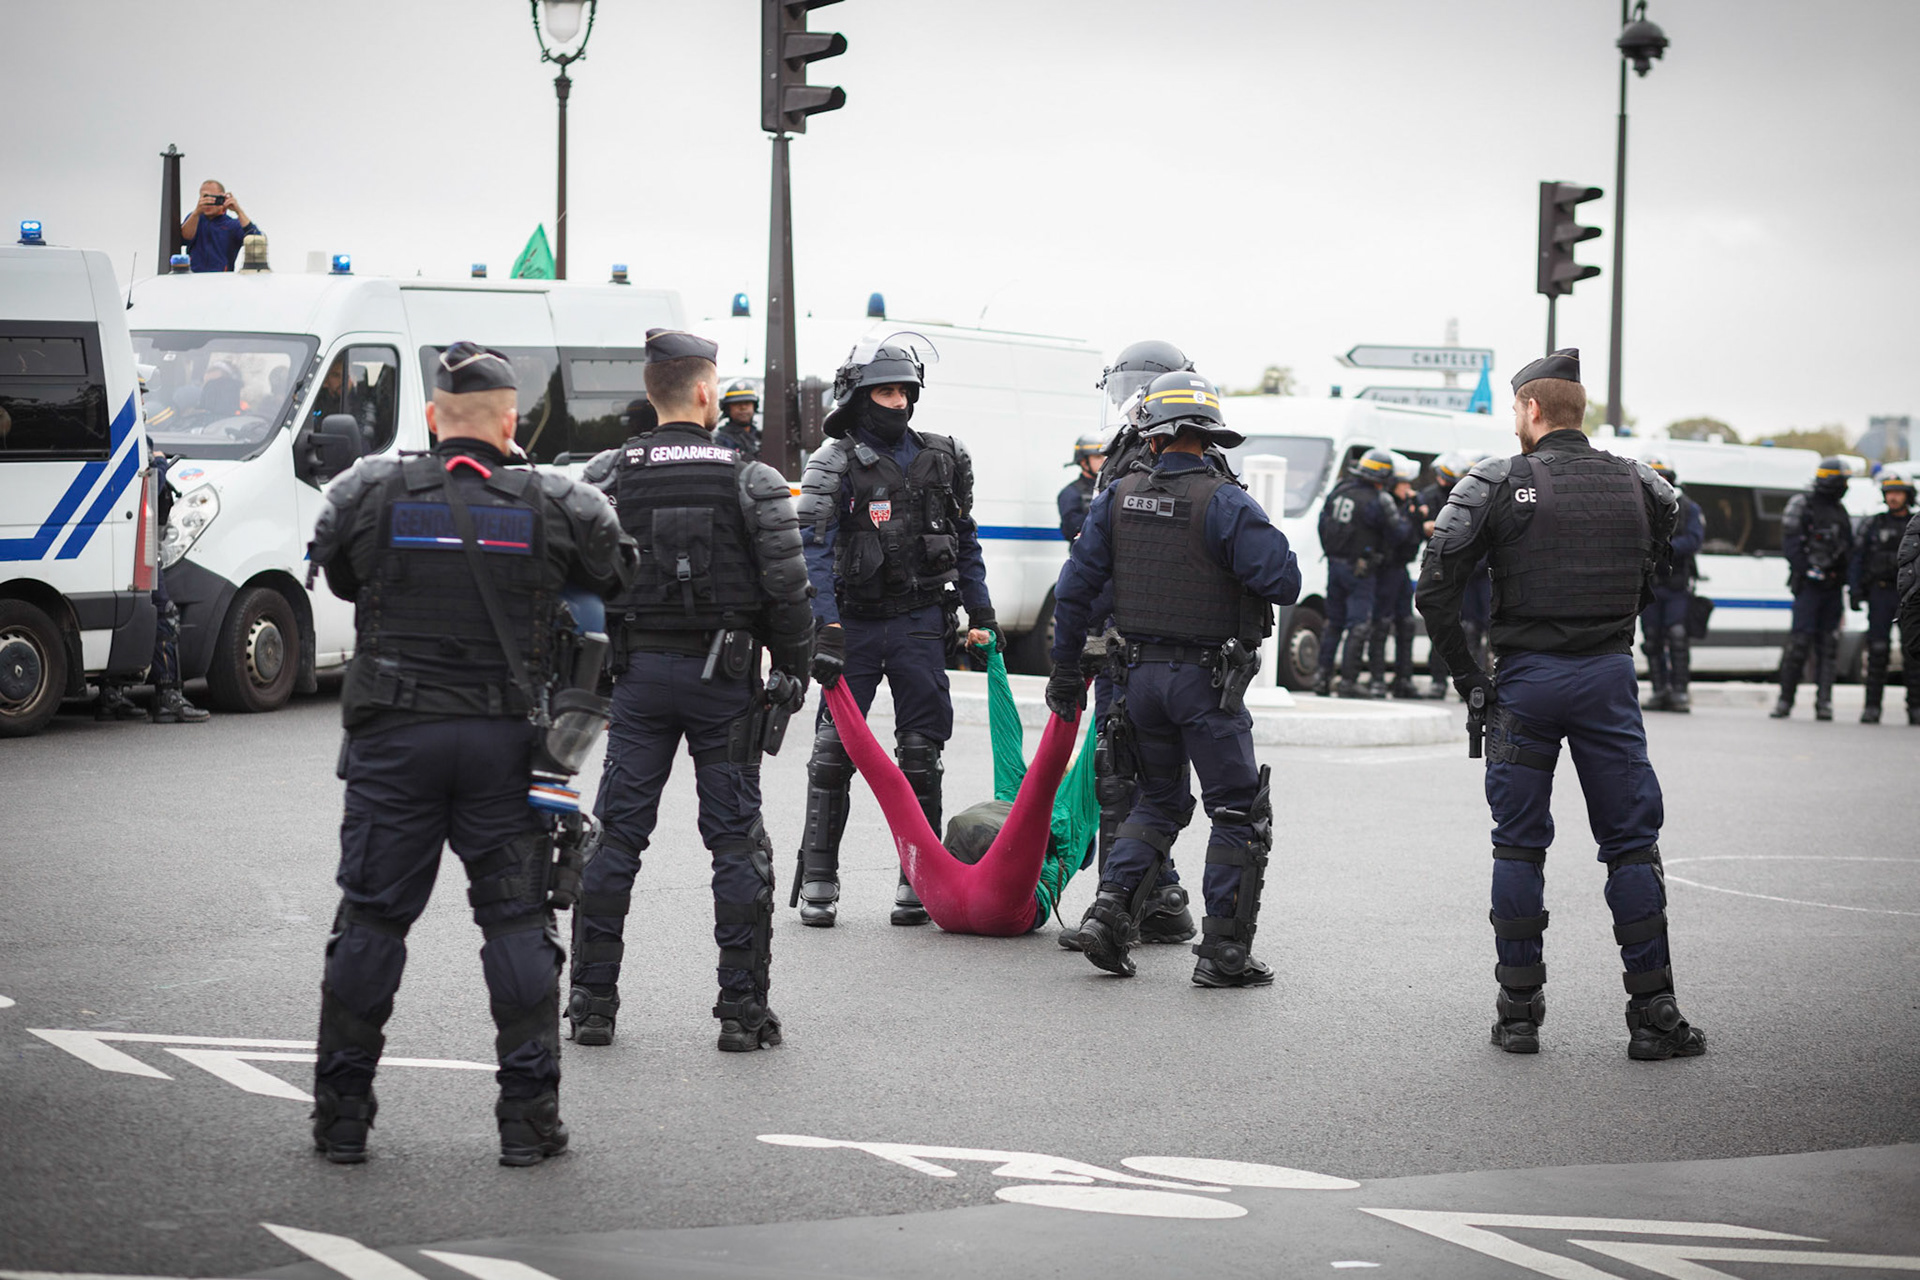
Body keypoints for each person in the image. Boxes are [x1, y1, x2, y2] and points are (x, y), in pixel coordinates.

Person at [303, 342, 636, 1165]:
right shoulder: (559, 501)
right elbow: (613, 578)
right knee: (517, 922)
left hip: (394, 741)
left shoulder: (370, 491)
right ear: (512, 421)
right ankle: (527, 1123)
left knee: (373, 919)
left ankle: (342, 1118)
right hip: (505, 745)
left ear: (430, 418)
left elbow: (341, 577)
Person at [1416, 348, 1703, 1062]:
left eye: (1517, 409)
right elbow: (1659, 560)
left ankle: (1518, 1015)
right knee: (1632, 845)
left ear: (1533, 410)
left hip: (1526, 682)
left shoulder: (1499, 479)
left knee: (1518, 843)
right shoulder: (1641, 483)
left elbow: (1435, 591)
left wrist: (1469, 678)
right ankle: (1655, 1014)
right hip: (1608, 677)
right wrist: (1616, 626)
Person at [568, 330, 813, 1053]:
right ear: (706, 392)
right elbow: (788, 588)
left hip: (637, 680)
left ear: (651, 393)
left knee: (615, 838)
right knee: (737, 845)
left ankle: (591, 1007)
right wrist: (789, 669)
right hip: (726, 683)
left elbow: (575, 581)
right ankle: (741, 1015)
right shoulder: (752, 477)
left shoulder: (609, 473)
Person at [1049, 371, 1301, 986]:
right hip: (1206, 684)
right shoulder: (1225, 501)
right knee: (1238, 811)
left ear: (1154, 437)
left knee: (1159, 800)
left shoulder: (1116, 495)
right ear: (1209, 436)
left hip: (1136, 680)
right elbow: (1285, 581)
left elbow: (1073, 591)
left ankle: (1110, 916)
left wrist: (1061, 673)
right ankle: (1224, 956)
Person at [791, 335, 996, 928]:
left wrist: (982, 616)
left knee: (920, 755)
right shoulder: (833, 462)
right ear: (858, 398)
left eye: (906, 391)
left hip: (918, 624)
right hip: (852, 627)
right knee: (833, 756)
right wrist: (824, 628)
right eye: (886, 391)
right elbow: (812, 552)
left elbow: (966, 540)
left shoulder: (947, 456)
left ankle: (919, 879)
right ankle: (821, 882)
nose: (899, 402)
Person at [1313, 448, 1409, 698]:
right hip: (1360, 570)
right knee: (1358, 625)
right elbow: (1398, 533)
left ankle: (1321, 678)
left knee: (1333, 623)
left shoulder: (1340, 490)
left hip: (1334, 565)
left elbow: (1322, 525)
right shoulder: (1378, 500)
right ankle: (1348, 681)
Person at [1771, 457, 1855, 721]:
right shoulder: (1802, 504)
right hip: (1808, 587)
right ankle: (1785, 701)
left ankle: (1824, 703)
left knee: (1829, 646)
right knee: (1799, 644)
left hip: (1832, 588)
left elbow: (1849, 550)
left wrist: (1844, 579)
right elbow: (1791, 544)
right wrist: (1809, 569)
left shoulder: (1840, 511)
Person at [1416, 452, 1491, 700]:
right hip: (1453, 571)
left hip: (1479, 575)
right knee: (1445, 625)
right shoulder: (1447, 496)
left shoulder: (1490, 499)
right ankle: (1441, 680)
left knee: (1477, 629)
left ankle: (1476, 679)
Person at [1850, 471, 1917, 724]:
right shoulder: (1873, 524)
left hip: (1911, 596)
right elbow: (1858, 559)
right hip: (1880, 593)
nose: (1893, 497)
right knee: (1877, 651)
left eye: (1898, 492)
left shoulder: (1916, 523)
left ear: (1908, 495)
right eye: (1889, 493)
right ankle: (1872, 708)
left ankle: (1915, 709)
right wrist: (1855, 591)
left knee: (1912, 654)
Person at [1640, 456, 1706, 714]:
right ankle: (1659, 690)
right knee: (1653, 638)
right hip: (1651, 584)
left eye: (1662, 476)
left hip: (1677, 584)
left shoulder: (1688, 507)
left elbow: (1693, 540)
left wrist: (1662, 550)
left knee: (1678, 636)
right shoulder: (1641, 503)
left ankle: (1680, 691)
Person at [1365, 453, 1426, 699]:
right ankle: (1377, 678)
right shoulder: (1384, 504)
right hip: (1385, 570)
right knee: (1381, 624)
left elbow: (1413, 540)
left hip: (1400, 570)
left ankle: (1403, 678)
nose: (1408, 489)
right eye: (1405, 485)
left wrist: (1416, 513)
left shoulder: (1405, 506)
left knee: (1406, 624)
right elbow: (1398, 536)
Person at [180, 180, 262, 274]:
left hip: (221, 279)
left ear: (222, 198)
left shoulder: (232, 225)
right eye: (205, 197)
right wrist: (196, 213)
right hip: (194, 277)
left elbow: (257, 241)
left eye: (213, 198)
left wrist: (238, 211)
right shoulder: (195, 219)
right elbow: (183, 238)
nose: (208, 202)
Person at [1058, 435, 1104, 540]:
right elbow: (1073, 529)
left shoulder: (1110, 488)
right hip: (1085, 555)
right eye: (1097, 457)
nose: (1103, 460)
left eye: (1104, 456)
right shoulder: (1070, 493)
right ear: (1084, 462)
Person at [713, 379, 762, 461]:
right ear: (728, 409)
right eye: (736, 403)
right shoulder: (721, 441)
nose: (743, 407)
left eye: (747, 403)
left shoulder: (761, 437)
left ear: (755, 406)